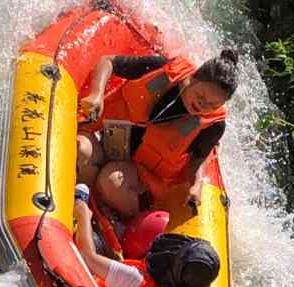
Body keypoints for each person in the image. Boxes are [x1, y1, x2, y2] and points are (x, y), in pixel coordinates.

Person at [77, 48, 239, 216]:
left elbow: (198, 159)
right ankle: (78, 198)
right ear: (194, 78)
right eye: (201, 95)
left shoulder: (213, 126)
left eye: (212, 105)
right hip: (104, 141)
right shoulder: (162, 68)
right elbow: (108, 61)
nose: (202, 105)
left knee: (111, 181)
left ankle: (101, 214)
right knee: (81, 149)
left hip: (135, 171)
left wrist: (196, 185)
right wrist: (96, 94)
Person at [73, 187, 220, 287]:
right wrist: (192, 286)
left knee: (93, 241)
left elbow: (87, 255)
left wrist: (83, 213)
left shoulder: (134, 279)